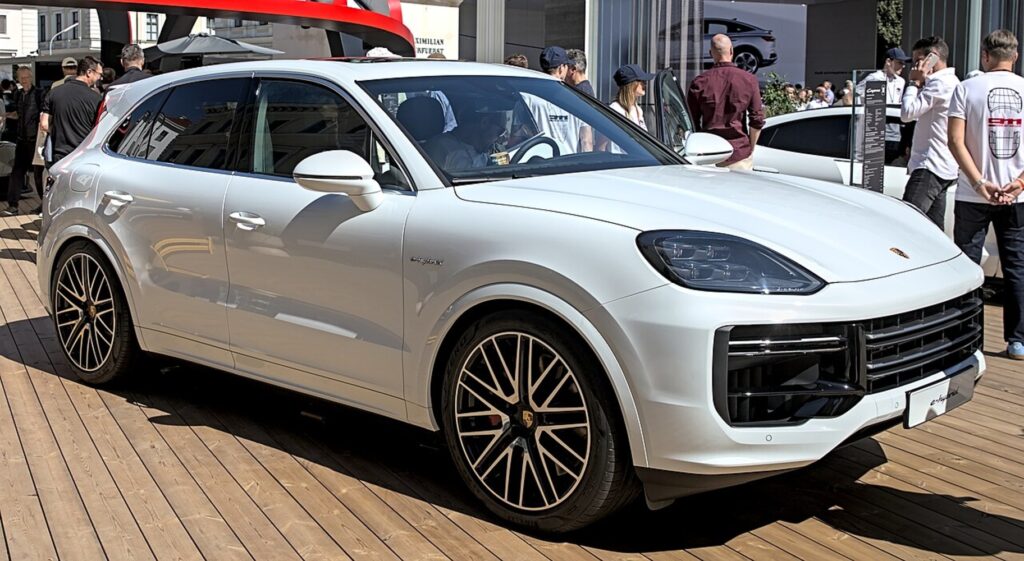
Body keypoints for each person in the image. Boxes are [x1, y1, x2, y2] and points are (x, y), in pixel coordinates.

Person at [947, 29, 1024, 360]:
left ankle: (966, 338)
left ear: (985, 56)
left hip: (973, 193)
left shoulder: (966, 88)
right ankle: (1018, 340)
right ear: (1015, 57)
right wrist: (1020, 183)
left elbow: (955, 141)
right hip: (1016, 195)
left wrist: (980, 182)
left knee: (967, 265)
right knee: (1017, 267)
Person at [899, 36, 960, 228]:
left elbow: (907, 114)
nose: (915, 66)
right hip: (942, 165)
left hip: (930, 165)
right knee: (933, 228)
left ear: (932, 58)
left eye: (918, 60)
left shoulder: (939, 84)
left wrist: (914, 84)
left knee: (905, 224)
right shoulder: (952, 82)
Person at [686, 34, 764, 170]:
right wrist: (749, 148)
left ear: (711, 53)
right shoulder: (749, 80)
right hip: (739, 152)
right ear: (732, 51)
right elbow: (756, 120)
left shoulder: (699, 82)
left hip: (708, 153)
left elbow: (691, 121)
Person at [521, 46, 591, 154]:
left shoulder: (528, 97)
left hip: (538, 164)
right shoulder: (578, 98)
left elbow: (519, 136)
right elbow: (586, 141)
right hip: (571, 165)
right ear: (561, 68)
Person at [41, 56, 103, 166]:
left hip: (59, 154)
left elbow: (44, 124)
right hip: (83, 155)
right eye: (99, 74)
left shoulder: (54, 92)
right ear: (89, 72)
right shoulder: (96, 98)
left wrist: (59, 130)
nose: (100, 78)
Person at [1, 67, 45, 216]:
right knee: (16, 173)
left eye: (27, 77)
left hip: (35, 140)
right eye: (22, 77)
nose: (24, 80)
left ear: (31, 77)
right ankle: (13, 206)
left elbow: (43, 115)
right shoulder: (18, 94)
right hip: (22, 140)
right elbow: (19, 114)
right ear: (18, 79)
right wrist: (6, 115)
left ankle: (44, 205)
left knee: (38, 176)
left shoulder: (39, 94)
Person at [857, 47, 911, 163]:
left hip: (896, 133)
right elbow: (855, 95)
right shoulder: (874, 77)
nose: (903, 66)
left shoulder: (901, 81)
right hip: (877, 132)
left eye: (904, 63)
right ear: (888, 62)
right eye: (899, 63)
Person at [423, 110, 506, 171]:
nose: (500, 139)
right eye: (500, 132)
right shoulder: (440, 148)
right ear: (484, 123)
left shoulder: (484, 153)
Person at [609, 64, 654, 131]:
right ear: (632, 85)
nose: (645, 84)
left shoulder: (638, 109)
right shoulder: (615, 109)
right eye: (642, 81)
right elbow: (604, 140)